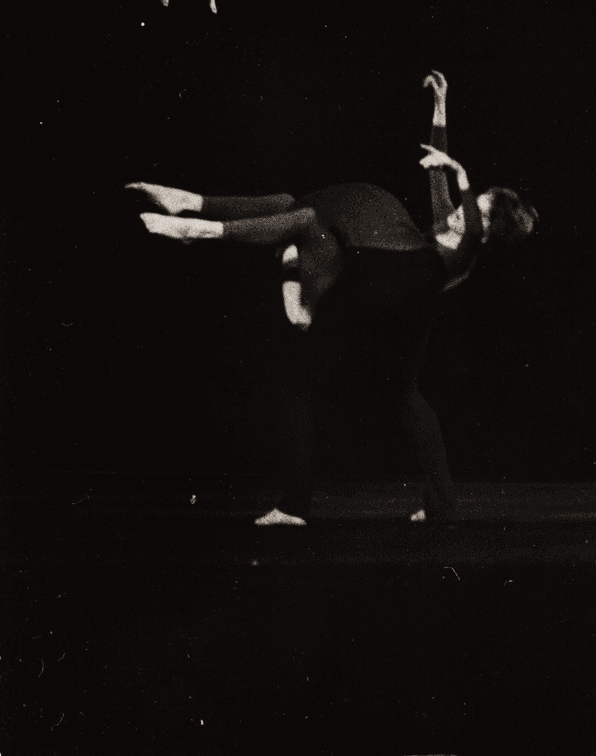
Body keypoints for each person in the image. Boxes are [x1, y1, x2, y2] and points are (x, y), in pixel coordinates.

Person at [127, 76, 537, 525]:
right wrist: (440, 107)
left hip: (390, 298)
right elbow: (435, 174)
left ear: (487, 229)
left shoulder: (464, 252)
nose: (459, 210)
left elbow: (462, 204)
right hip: (405, 320)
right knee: (292, 211)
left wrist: (462, 174)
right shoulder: (448, 228)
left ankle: (226, 243)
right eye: (465, 204)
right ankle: (196, 205)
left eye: (471, 207)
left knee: (304, 233)